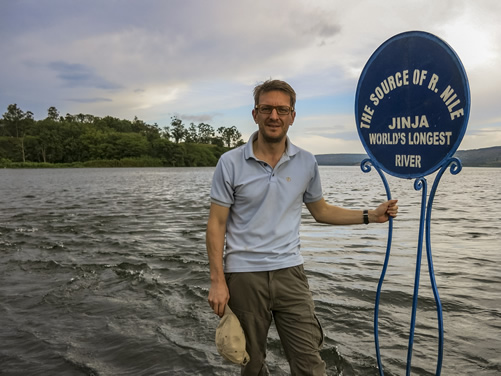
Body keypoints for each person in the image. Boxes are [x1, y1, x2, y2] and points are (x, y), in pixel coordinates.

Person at [206, 79, 398, 375]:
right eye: (267, 108)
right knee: (252, 364)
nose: (274, 116)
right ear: (255, 113)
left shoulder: (306, 161)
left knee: (310, 364)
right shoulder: (230, 163)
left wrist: (370, 216)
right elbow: (217, 224)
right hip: (243, 275)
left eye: (282, 110)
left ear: (292, 116)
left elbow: (320, 211)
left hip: (290, 273)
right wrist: (218, 281)